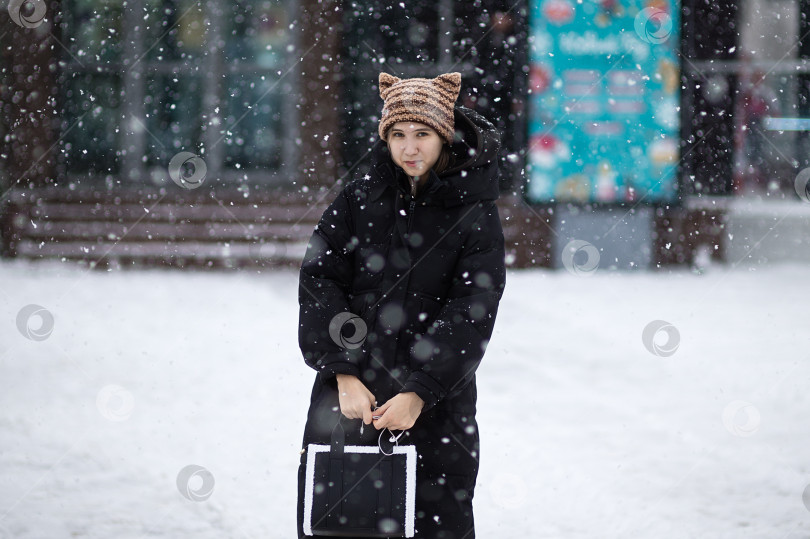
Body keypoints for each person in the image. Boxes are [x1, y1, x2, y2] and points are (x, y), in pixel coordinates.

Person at [296, 71, 506, 539]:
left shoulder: (474, 211)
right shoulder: (357, 199)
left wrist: (419, 391)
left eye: (423, 134)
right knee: (340, 527)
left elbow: (472, 308)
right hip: (350, 406)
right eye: (398, 134)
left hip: (437, 412)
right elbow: (320, 281)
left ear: (444, 136)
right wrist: (342, 372)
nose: (410, 148)